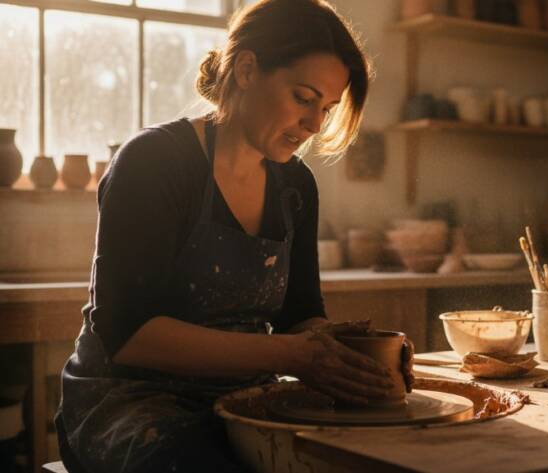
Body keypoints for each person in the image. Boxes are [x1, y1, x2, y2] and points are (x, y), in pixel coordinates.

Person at [55, 1, 413, 472]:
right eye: (304, 98)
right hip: (128, 401)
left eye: (326, 108)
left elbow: (299, 316)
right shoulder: (155, 162)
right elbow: (129, 335)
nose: (314, 125)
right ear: (246, 70)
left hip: (240, 396)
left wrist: (358, 355)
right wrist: (293, 355)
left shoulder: (295, 186)